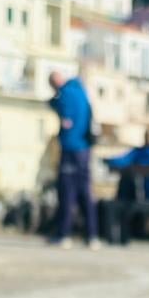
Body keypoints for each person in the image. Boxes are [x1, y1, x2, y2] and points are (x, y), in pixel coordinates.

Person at [48, 68, 99, 248]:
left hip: (71, 148)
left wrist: (54, 103)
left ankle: (64, 235)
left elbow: (66, 120)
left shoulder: (65, 94)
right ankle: (92, 236)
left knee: (66, 192)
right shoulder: (81, 91)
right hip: (85, 148)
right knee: (85, 192)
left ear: (55, 83)